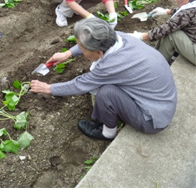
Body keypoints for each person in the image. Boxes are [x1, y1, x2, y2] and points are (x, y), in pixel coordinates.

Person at [30, 17, 177, 140]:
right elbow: (88, 43)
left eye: (82, 50)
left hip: (151, 119)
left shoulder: (111, 65)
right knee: (107, 88)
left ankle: (107, 133)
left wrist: (49, 88)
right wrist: (68, 53)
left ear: (99, 52)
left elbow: (81, 84)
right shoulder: (118, 37)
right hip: (160, 103)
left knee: (106, 93)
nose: (81, 51)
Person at [130, 0, 196, 65]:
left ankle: (157, 64)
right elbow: (185, 13)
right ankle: (156, 53)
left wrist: (140, 36)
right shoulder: (192, 7)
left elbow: (166, 29)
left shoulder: (187, 13)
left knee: (172, 35)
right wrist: (166, 11)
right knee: (174, 32)